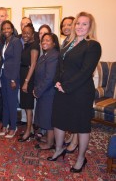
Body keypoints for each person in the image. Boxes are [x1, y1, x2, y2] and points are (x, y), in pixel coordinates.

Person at [48, 12, 101, 173]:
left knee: (81, 125)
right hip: (62, 89)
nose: (80, 26)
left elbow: (86, 71)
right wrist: (57, 81)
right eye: (78, 23)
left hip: (81, 92)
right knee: (58, 120)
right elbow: (60, 65)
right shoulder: (68, 43)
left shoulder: (93, 45)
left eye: (84, 24)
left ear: (90, 27)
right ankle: (59, 149)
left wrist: (67, 86)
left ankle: (80, 158)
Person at [0, 7, 18, 123]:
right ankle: (0, 116)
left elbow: (14, 56)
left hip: (8, 70)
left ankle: (7, 120)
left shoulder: (13, 33)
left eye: (2, 16)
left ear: (6, 16)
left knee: (8, 98)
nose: (0, 18)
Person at [33, 33, 59, 150]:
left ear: (54, 43)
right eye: (43, 40)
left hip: (48, 92)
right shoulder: (45, 55)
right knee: (45, 116)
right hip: (44, 91)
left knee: (48, 119)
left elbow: (49, 78)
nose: (44, 42)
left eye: (48, 40)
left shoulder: (53, 55)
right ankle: (49, 138)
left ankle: (49, 143)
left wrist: (38, 91)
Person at [0, 20, 22, 138]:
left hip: (11, 77)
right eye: (4, 28)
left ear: (12, 29)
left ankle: (13, 127)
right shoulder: (5, 42)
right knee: (5, 102)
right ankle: (5, 125)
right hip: (3, 75)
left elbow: (17, 61)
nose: (6, 30)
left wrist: (13, 79)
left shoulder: (16, 42)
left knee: (12, 103)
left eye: (8, 28)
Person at [18, 23, 40, 142]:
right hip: (24, 76)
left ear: (32, 34)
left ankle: (28, 132)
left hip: (28, 77)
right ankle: (30, 128)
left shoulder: (34, 46)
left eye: (28, 33)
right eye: (23, 32)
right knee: (25, 105)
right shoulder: (26, 45)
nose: (25, 35)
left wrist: (26, 81)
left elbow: (33, 65)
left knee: (28, 106)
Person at [59, 16, 79, 153]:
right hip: (66, 81)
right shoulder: (66, 41)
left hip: (76, 82)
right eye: (64, 25)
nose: (66, 27)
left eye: (69, 24)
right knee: (71, 112)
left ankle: (76, 141)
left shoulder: (79, 41)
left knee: (77, 113)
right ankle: (72, 136)